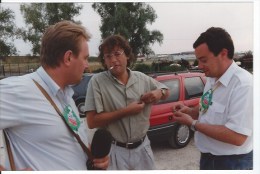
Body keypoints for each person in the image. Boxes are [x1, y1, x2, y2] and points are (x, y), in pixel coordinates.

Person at [0, 20, 109, 170]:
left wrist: (91, 155)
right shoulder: (19, 90)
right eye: (85, 58)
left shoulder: (66, 94)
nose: (87, 65)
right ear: (68, 58)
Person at [84, 35, 169, 170]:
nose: (113, 60)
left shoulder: (141, 78)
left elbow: (165, 90)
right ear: (104, 60)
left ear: (127, 55)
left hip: (143, 148)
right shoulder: (97, 82)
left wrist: (159, 93)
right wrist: (126, 111)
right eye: (108, 56)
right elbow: (92, 121)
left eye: (117, 54)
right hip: (115, 151)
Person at [172, 27, 253, 170]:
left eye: (203, 60)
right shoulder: (212, 78)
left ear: (223, 53)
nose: (200, 66)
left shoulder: (243, 85)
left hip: (232, 163)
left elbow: (237, 137)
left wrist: (193, 123)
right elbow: (208, 105)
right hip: (208, 158)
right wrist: (191, 111)